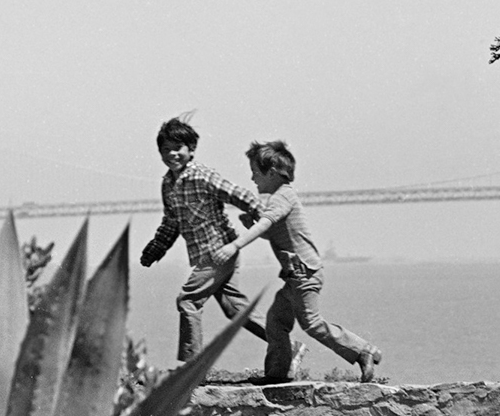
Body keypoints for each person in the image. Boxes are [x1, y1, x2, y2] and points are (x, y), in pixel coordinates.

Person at [140, 117, 305, 370]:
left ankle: (192, 367)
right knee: (233, 307)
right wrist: (155, 249)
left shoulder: (202, 175)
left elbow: (237, 193)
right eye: (166, 150)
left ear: (191, 150)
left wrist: (261, 215)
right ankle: (289, 347)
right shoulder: (168, 184)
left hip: (218, 250)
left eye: (178, 148)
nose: (172, 154)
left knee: (188, 301)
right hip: (207, 254)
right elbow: (171, 221)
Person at [219, 140, 382, 383]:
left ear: (272, 173)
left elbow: (267, 223)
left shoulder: (282, 197)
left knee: (312, 324)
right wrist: (252, 226)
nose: (253, 180)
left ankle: (363, 351)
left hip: (304, 273)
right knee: (275, 321)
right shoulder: (282, 197)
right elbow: (271, 230)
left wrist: (235, 244)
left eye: (255, 173)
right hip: (296, 276)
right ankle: (278, 374)